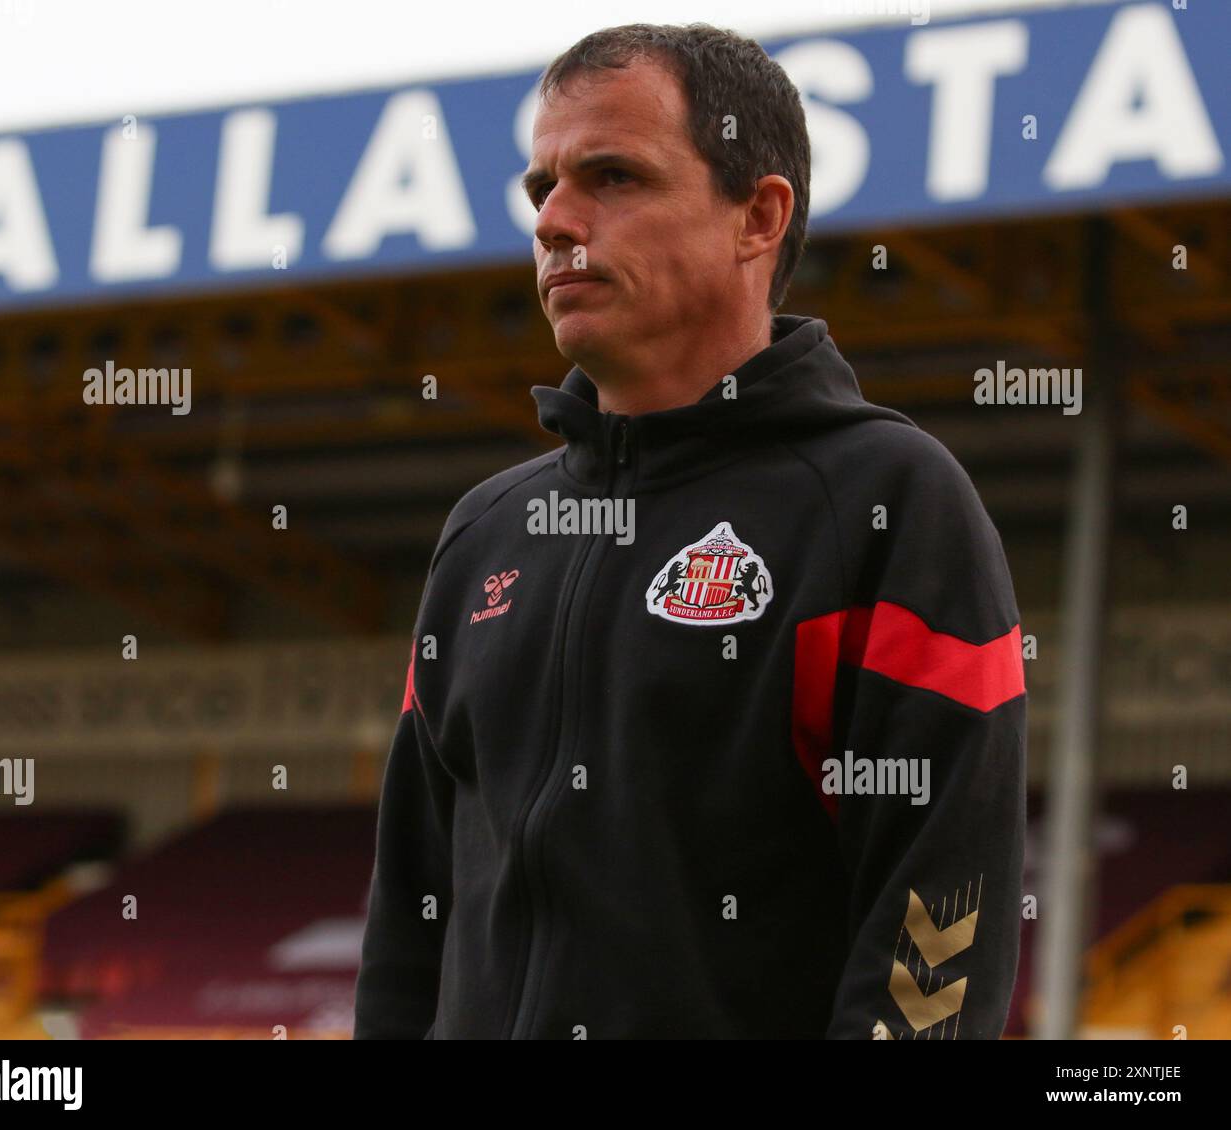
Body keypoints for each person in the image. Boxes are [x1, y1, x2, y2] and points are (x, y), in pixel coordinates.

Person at [354, 22, 1026, 1040]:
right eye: (543, 189)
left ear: (757, 214)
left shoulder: (889, 504)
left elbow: (937, 926)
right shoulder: (483, 534)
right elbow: (411, 918)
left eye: (612, 177)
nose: (554, 222)